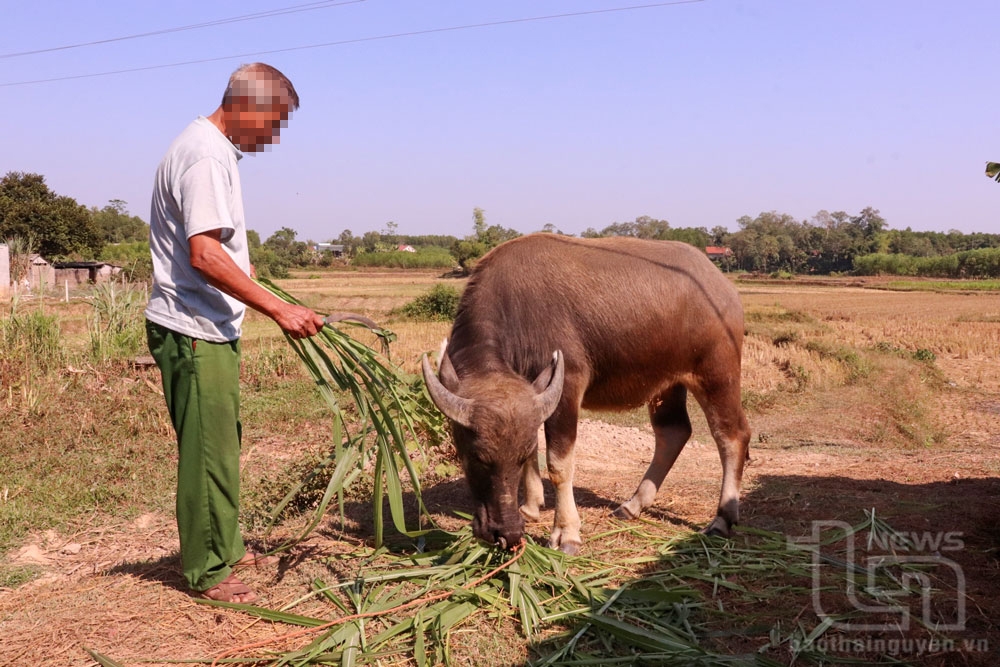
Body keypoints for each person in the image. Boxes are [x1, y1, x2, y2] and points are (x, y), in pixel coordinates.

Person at [145, 62, 325, 603]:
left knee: (222, 445)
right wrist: (280, 310)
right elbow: (204, 254)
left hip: (209, 326)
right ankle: (209, 570)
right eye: (274, 121)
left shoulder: (213, 149)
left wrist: (271, 298)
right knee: (207, 451)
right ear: (247, 105)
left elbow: (217, 251)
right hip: (194, 328)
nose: (274, 135)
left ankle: (225, 542)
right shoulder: (204, 154)